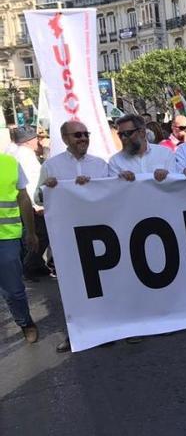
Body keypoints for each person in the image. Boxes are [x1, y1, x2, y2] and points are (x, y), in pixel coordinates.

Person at [37, 120, 111, 352]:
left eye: (85, 134)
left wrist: (94, 187)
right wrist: (46, 188)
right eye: (77, 135)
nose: (83, 138)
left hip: (99, 233)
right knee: (73, 286)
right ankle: (76, 333)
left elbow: (112, 193)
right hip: (67, 237)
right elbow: (39, 198)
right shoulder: (51, 166)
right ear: (65, 138)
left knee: (104, 283)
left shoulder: (100, 165)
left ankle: (108, 328)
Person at [0, 152, 39, 344]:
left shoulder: (9, 163)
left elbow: (23, 197)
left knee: (13, 290)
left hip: (5, 237)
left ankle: (25, 323)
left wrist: (31, 231)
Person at [7, 128, 49, 281]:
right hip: (29, 202)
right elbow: (30, 181)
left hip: (16, 203)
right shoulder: (26, 155)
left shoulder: (13, 153)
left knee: (33, 234)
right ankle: (31, 265)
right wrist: (37, 205)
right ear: (29, 141)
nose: (38, 141)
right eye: (36, 139)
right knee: (41, 234)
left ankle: (36, 264)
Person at [110, 114, 176, 182]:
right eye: (120, 134)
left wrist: (168, 176)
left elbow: (176, 182)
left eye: (127, 133)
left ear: (142, 132)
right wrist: (119, 180)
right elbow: (114, 189)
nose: (123, 138)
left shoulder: (165, 153)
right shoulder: (115, 161)